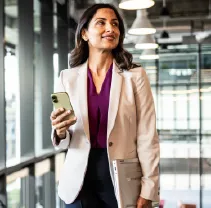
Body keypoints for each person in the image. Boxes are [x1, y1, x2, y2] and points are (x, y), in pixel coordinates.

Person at [50, 3, 160, 208]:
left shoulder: (135, 76)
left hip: (122, 179)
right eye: (101, 23)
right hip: (78, 182)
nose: (111, 28)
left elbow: (148, 136)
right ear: (84, 33)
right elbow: (64, 141)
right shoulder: (66, 78)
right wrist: (59, 131)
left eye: (115, 24)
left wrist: (149, 189)